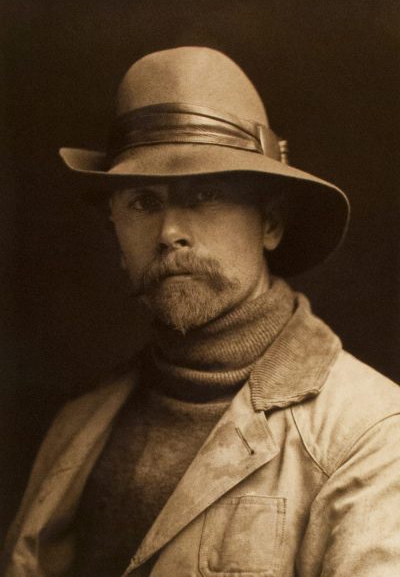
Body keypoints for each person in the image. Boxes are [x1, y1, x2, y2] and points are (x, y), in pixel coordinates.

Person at [2, 47, 400, 577]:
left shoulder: (370, 432)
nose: (170, 233)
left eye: (205, 195)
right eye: (143, 202)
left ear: (270, 223)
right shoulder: (78, 424)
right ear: (116, 233)